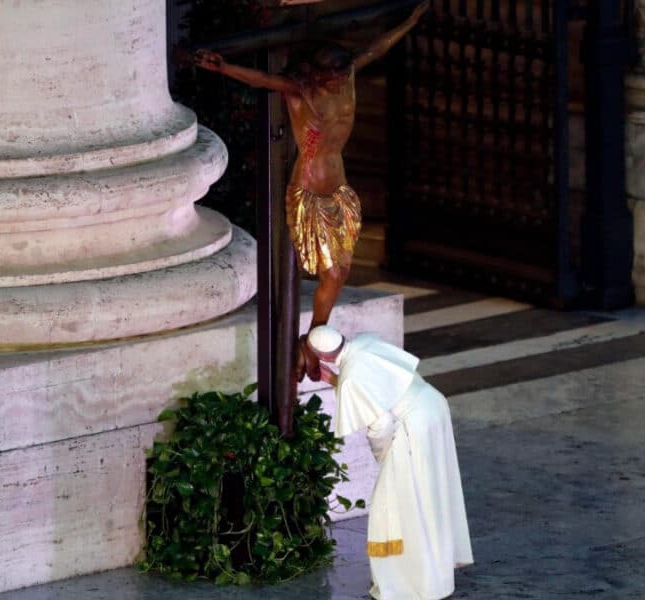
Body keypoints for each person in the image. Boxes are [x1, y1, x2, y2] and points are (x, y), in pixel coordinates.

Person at [192, 2, 429, 383]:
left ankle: (314, 338)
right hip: (310, 189)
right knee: (330, 273)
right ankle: (313, 338)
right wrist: (222, 67)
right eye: (332, 75)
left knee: (342, 272)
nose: (338, 80)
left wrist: (410, 21)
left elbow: (377, 47)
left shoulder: (348, 75)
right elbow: (261, 81)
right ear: (318, 74)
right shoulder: (300, 92)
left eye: (341, 73)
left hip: (338, 189)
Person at [307, 325, 473, 600]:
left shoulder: (350, 379)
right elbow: (380, 382)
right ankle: (440, 570)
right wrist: (337, 381)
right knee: (433, 494)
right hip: (432, 406)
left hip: (412, 431)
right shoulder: (365, 341)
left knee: (394, 511)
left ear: (322, 358)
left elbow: (381, 424)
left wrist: (384, 455)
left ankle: (407, 584)